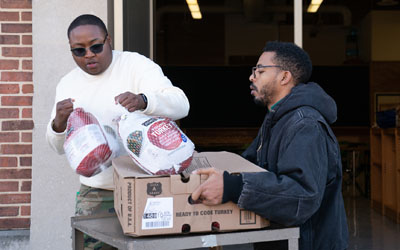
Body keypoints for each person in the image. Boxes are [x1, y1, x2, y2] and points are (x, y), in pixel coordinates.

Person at [46, 14, 190, 249]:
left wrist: (144, 100)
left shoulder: (135, 65)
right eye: (79, 51)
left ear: (108, 40)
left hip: (147, 186)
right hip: (98, 190)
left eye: (96, 46)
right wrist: (58, 125)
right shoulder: (67, 84)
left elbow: (181, 104)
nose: (89, 54)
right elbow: (57, 147)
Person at [191, 41, 348, 250]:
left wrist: (232, 186)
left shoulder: (305, 125)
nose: (252, 77)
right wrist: (200, 162)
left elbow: (302, 196)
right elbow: (249, 165)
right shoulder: (276, 119)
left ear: (284, 77)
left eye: (260, 70)